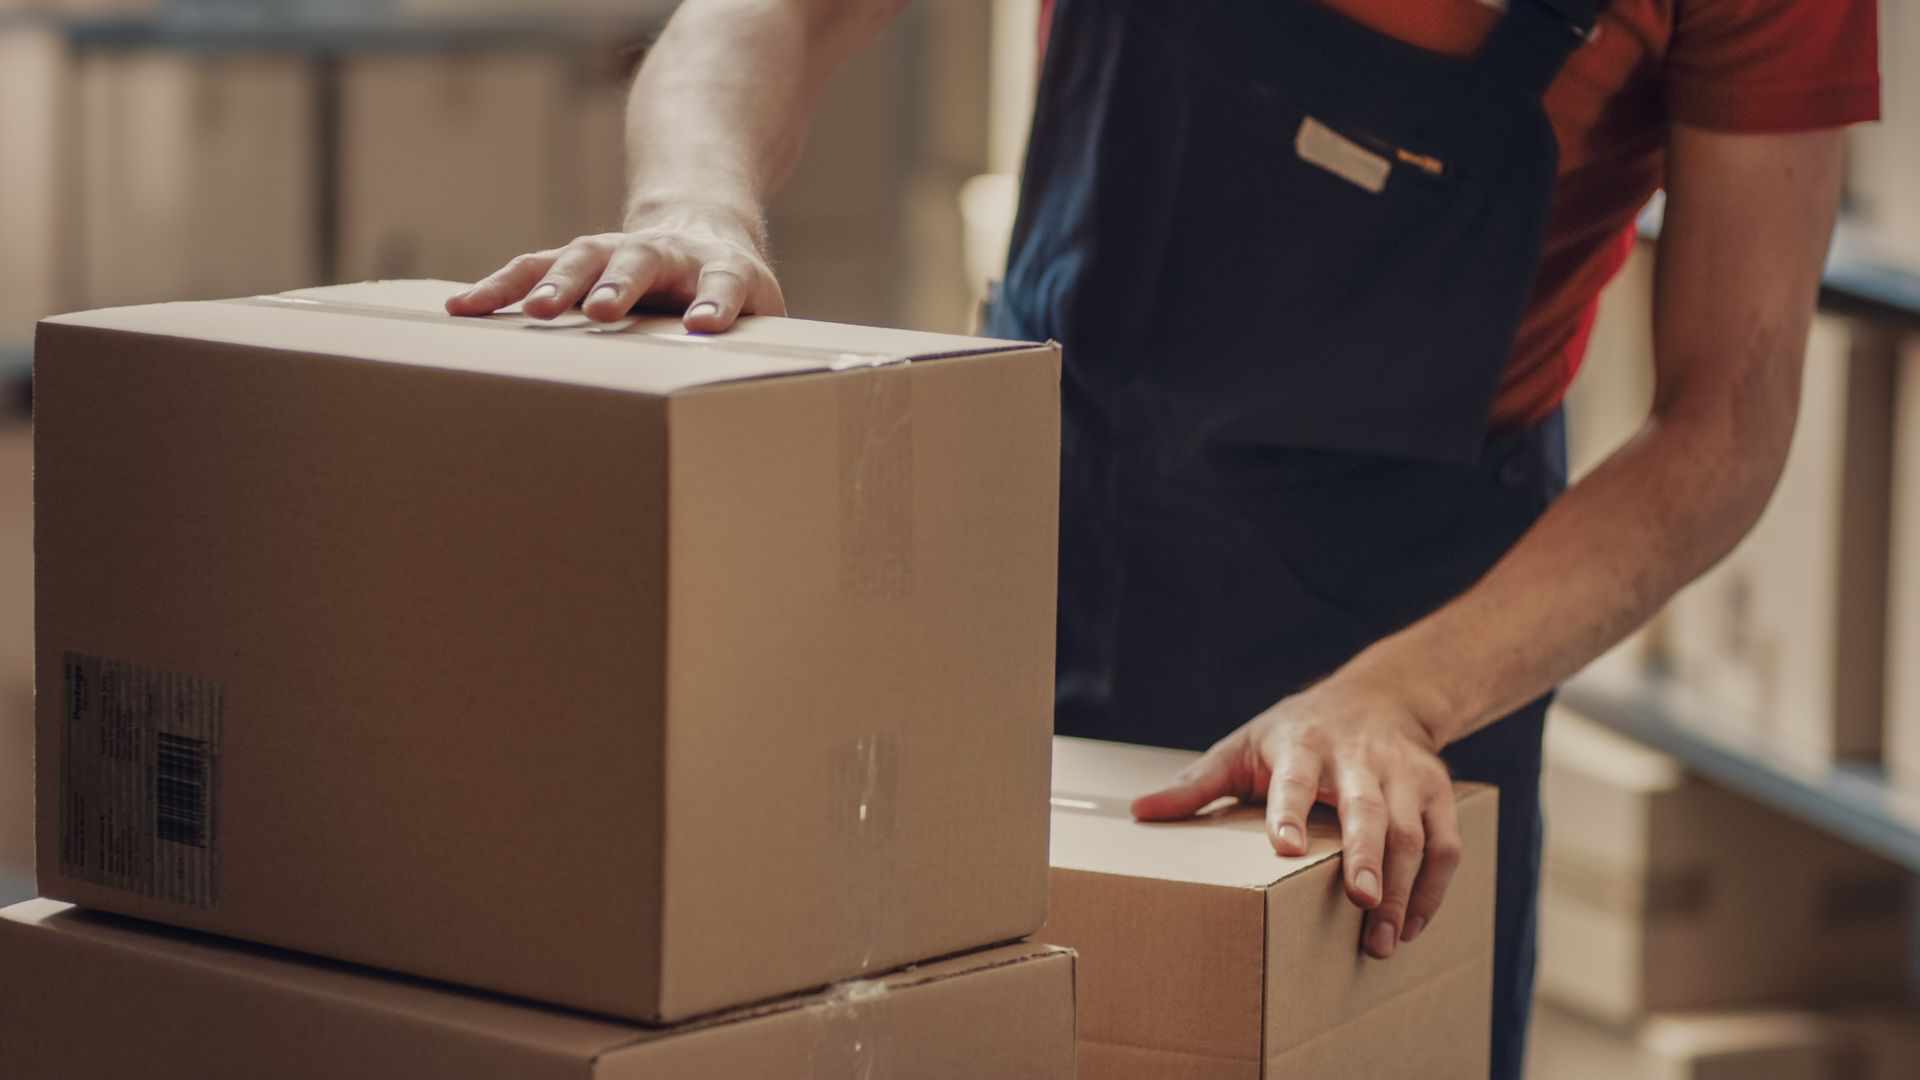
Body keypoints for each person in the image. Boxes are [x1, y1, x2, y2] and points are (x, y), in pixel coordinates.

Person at [446, 1, 1881, 1074]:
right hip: (1037, 529)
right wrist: (695, 203)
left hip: (1413, 608)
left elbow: (1728, 423)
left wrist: (1403, 694)